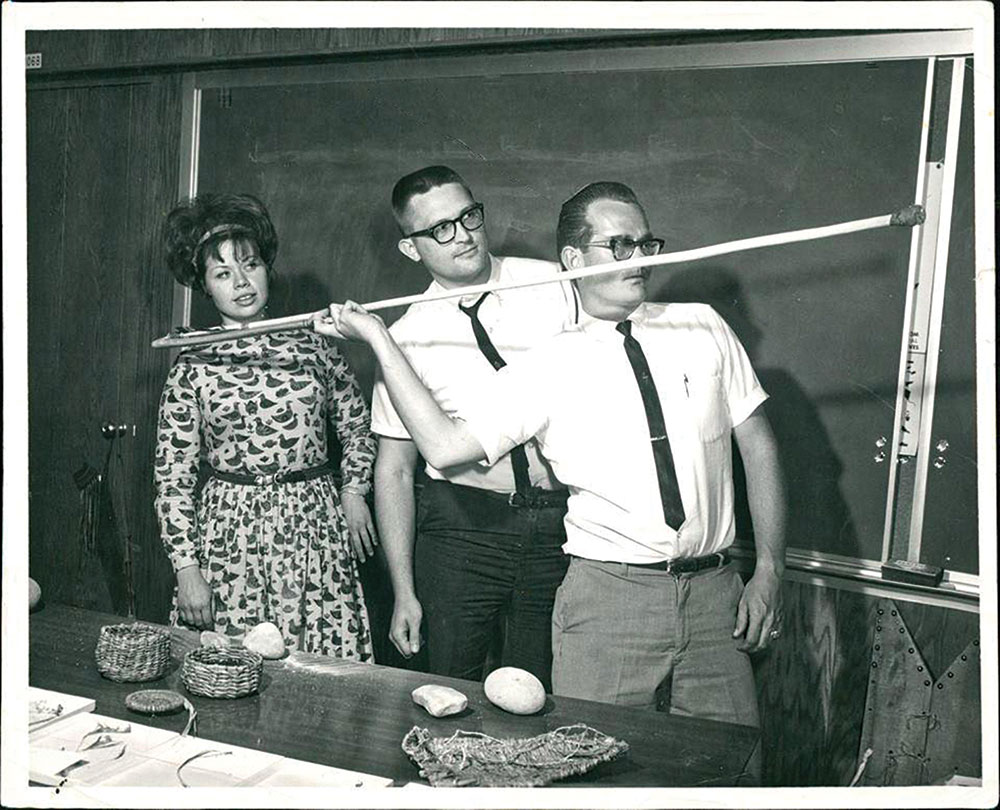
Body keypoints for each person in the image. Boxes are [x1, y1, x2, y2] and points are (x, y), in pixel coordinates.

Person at [318, 181, 786, 728]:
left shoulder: (697, 323)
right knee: (561, 747)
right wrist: (378, 338)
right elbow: (437, 451)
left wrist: (769, 569)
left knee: (727, 762)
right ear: (574, 260)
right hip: (556, 567)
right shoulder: (543, 363)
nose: (637, 260)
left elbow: (757, 442)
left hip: (701, 587)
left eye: (645, 244)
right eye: (618, 245)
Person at [369, 165, 575, 689]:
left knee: (544, 692)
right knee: (448, 687)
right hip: (463, 532)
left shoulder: (556, 285)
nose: (462, 235)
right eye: (440, 228)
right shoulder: (404, 338)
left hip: (563, 527)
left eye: (468, 216)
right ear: (410, 249)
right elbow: (394, 470)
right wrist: (404, 591)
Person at [154, 193, 376, 659]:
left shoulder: (315, 346)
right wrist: (186, 569)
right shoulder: (192, 363)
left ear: (265, 267)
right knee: (231, 669)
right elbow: (172, 480)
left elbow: (358, 426)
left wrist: (353, 491)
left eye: (250, 265)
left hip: (314, 527)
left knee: (320, 667)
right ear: (204, 286)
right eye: (223, 273)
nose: (241, 283)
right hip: (228, 536)